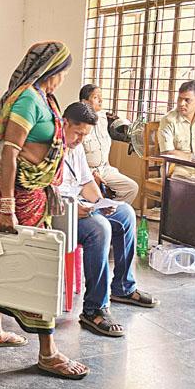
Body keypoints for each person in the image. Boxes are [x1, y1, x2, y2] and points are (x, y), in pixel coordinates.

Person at [0, 42, 89, 380]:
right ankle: (48, 352)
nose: (63, 79)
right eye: (63, 73)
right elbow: (10, 153)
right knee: (36, 271)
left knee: (4, 263)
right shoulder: (28, 99)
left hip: (34, 195)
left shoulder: (47, 99)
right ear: (51, 71)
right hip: (16, 198)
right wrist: (7, 207)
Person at [60, 102, 160, 338]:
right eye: (77, 133)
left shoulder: (76, 150)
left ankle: (123, 287)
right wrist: (75, 209)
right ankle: (93, 308)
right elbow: (46, 193)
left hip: (82, 207)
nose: (79, 140)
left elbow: (86, 183)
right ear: (64, 124)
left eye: (85, 135)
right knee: (100, 229)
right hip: (61, 212)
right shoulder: (51, 149)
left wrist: (100, 203)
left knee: (125, 212)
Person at [79, 84, 139, 204]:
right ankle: (99, 212)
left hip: (105, 169)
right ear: (84, 102)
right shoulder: (79, 122)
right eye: (96, 97)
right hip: (86, 171)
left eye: (101, 97)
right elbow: (76, 157)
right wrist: (92, 173)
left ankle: (111, 213)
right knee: (94, 195)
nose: (100, 101)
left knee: (131, 188)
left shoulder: (102, 118)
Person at [158, 80, 195, 176]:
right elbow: (168, 152)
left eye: (187, 100)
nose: (181, 103)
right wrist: (193, 158)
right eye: (179, 99)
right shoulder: (168, 120)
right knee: (186, 187)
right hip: (177, 167)